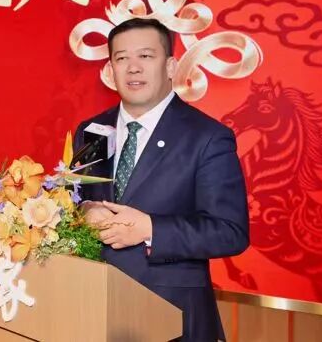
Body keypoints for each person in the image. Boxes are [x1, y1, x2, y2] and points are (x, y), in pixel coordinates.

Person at [74, 17, 248, 341]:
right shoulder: (92, 130)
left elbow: (230, 232)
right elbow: (77, 197)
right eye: (121, 58)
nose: (133, 68)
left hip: (174, 315)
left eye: (145, 56)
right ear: (110, 70)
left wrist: (150, 229)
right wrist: (83, 212)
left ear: (170, 66)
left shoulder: (208, 137)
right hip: (95, 308)